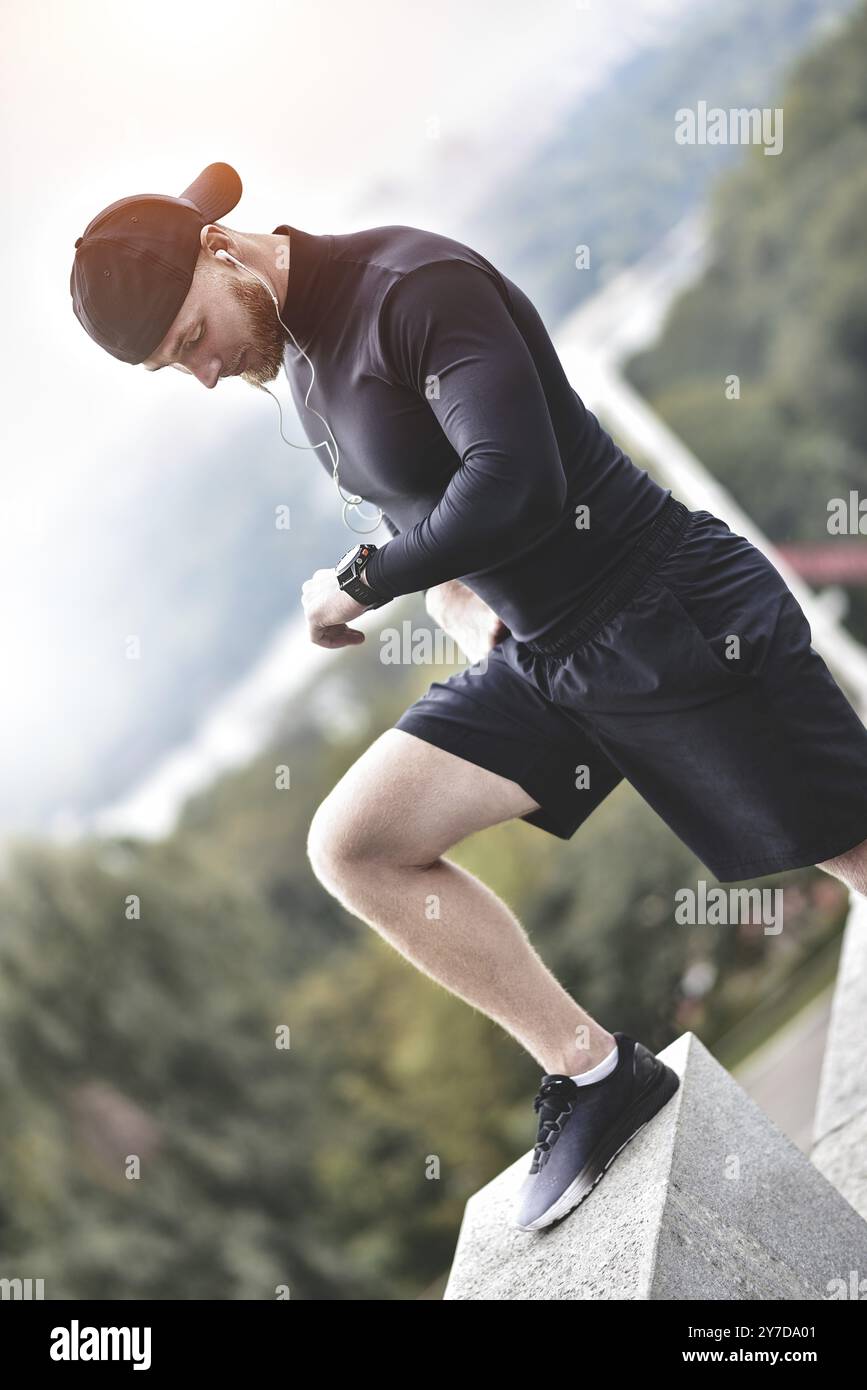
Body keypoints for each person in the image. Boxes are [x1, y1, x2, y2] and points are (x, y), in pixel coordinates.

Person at [71, 162, 867, 1232]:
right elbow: (436, 517)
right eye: (178, 368)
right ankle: (593, 1075)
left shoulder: (410, 287)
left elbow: (515, 479)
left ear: (222, 253)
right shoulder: (304, 374)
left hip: (663, 610)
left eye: (191, 339)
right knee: (355, 843)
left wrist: (363, 582)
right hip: (545, 659)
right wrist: (444, 596)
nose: (205, 373)